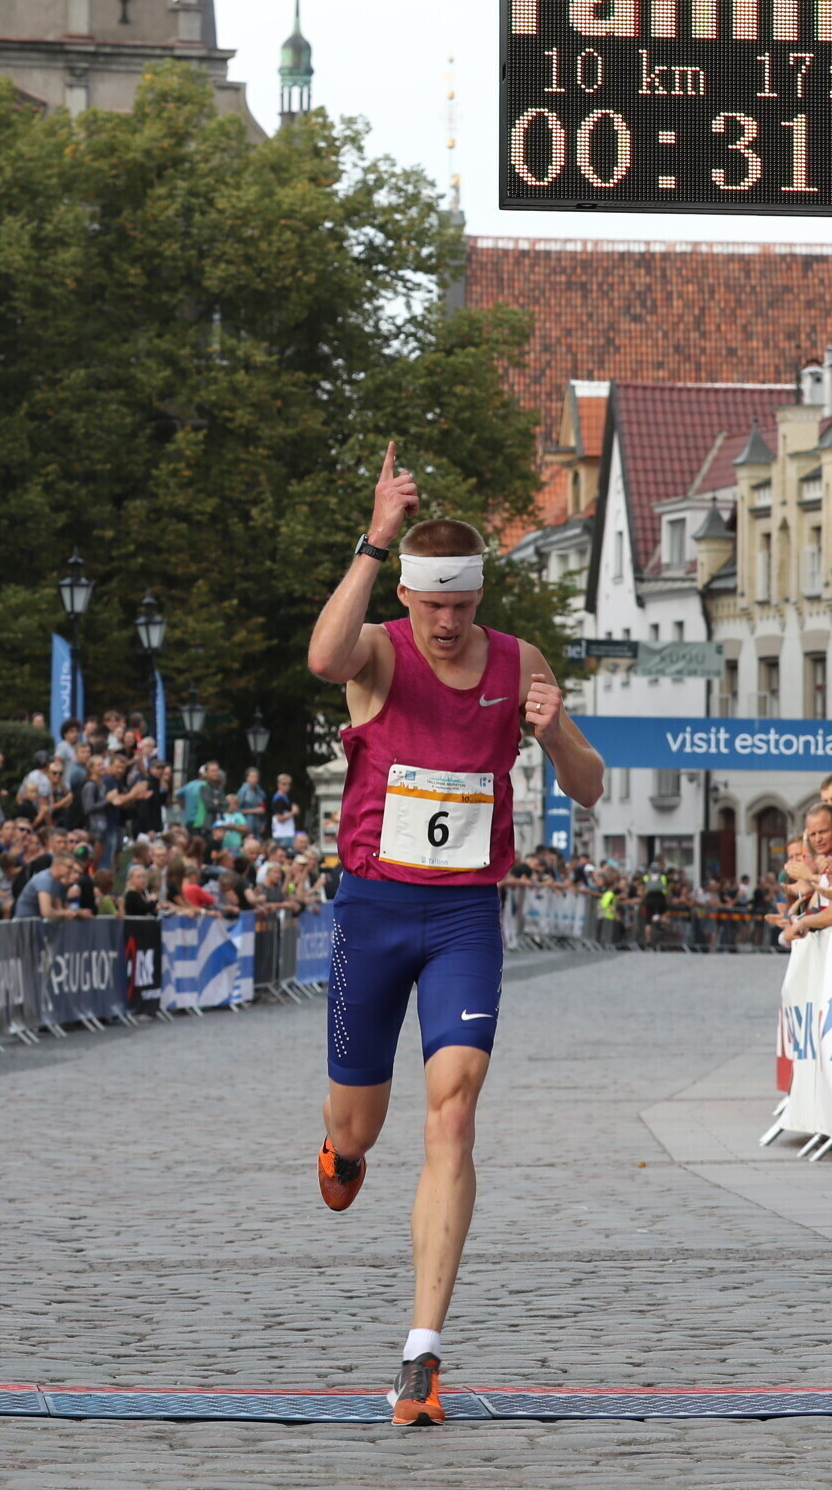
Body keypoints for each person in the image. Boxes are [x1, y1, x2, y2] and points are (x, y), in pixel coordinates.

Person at [303, 443, 604, 1427]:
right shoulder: (380, 651)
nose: (446, 624)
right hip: (373, 908)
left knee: (455, 1112)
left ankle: (420, 1352)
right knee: (359, 1126)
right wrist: (373, 537)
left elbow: (589, 785)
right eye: (432, 605)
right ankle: (342, 1151)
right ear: (407, 594)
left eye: (462, 607)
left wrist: (554, 730)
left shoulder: (519, 662)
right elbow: (322, 659)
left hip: (466, 915)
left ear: (479, 598)